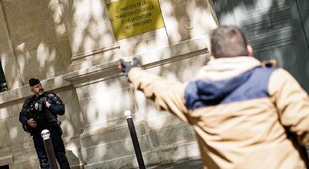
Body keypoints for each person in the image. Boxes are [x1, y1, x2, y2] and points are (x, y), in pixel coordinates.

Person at [119, 25, 309, 169]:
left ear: (213, 59)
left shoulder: (192, 96)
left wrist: (134, 73)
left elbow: (161, 89)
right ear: (249, 51)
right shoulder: (274, 80)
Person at [19, 78, 70, 169]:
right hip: (37, 132)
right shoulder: (29, 101)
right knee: (43, 159)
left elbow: (61, 110)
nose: (39, 88)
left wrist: (49, 105)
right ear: (32, 89)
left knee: (60, 155)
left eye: (40, 85)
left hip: (52, 129)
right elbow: (21, 116)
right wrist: (27, 121)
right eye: (37, 87)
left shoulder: (50, 96)